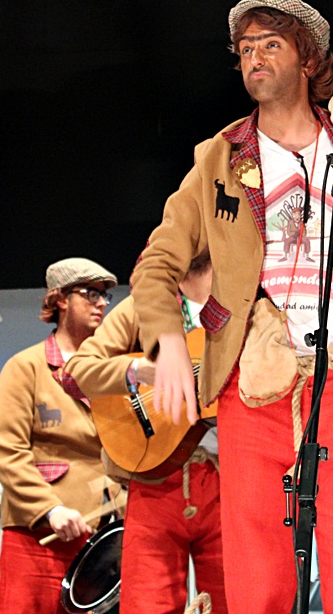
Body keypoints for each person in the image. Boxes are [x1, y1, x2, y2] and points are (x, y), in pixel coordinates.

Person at [130, 0, 333, 612]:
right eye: (245, 49)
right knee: (257, 572)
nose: (254, 58)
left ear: (310, 59)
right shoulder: (218, 157)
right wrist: (168, 341)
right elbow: (158, 260)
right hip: (253, 385)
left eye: (270, 44)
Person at [68, 252, 226, 613]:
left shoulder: (247, 307)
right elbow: (78, 370)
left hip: (229, 480)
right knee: (147, 602)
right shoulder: (144, 307)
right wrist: (141, 370)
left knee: (232, 599)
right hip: (155, 478)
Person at [0, 257, 123, 614]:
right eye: (89, 293)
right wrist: (49, 508)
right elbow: (8, 452)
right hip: (39, 535)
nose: (101, 303)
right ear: (60, 299)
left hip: (104, 539)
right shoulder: (26, 367)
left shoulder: (113, 371)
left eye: (104, 296)